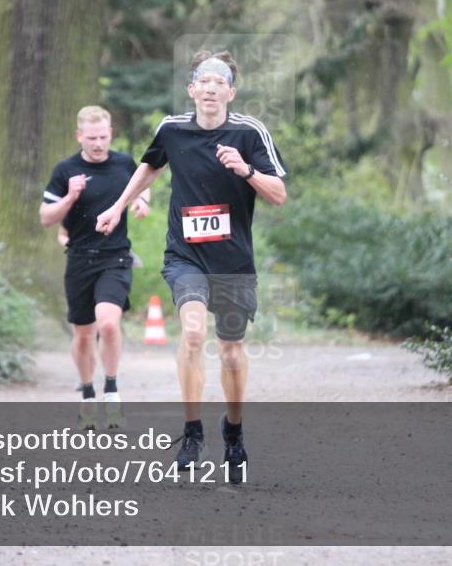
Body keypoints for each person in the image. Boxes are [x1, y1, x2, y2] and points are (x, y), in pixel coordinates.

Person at [96, 51, 287, 483]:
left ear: (231, 93)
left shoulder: (249, 133)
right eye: (205, 81)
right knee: (194, 332)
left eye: (221, 82)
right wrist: (117, 206)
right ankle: (193, 431)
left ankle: (234, 433)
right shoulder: (172, 129)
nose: (212, 87)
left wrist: (246, 170)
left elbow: (278, 193)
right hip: (185, 254)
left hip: (234, 260)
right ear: (193, 90)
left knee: (232, 352)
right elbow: (149, 167)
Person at [40, 105, 150, 430]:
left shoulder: (124, 163)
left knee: (110, 324)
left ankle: (112, 390)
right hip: (79, 259)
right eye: (91, 138)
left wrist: (142, 202)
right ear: (79, 137)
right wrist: (70, 197)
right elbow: (46, 218)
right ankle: (88, 394)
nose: (98, 143)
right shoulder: (66, 170)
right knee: (84, 334)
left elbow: (142, 187)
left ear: (110, 134)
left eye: (103, 137)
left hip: (115, 256)